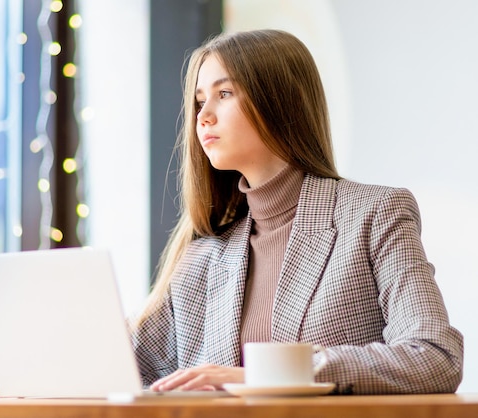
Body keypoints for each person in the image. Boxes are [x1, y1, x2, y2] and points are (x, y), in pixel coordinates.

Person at [129, 29, 464, 395]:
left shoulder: (375, 214)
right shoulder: (201, 257)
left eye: (223, 94)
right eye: (198, 101)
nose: (203, 117)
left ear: (278, 100)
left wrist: (272, 374)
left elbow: (434, 357)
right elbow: (123, 372)